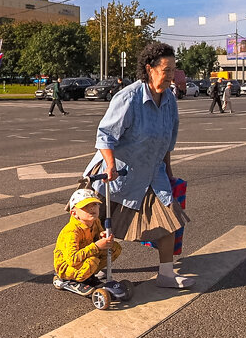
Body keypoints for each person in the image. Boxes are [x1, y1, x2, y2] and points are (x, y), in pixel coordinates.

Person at [82, 41, 193, 288]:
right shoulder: (129, 97)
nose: (170, 76)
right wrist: (109, 165)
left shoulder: (169, 101)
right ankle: (89, 268)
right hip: (118, 174)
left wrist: (170, 174)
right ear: (149, 69)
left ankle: (166, 274)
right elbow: (105, 136)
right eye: (166, 70)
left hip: (153, 173)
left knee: (169, 220)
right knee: (95, 225)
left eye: (174, 70)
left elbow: (167, 142)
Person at [52, 188, 122, 295]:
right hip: (67, 265)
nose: (92, 208)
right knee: (92, 261)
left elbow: (98, 233)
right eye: (85, 206)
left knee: (114, 248)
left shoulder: (95, 221)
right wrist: (97, 246)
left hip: (85, 257)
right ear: (74, 213)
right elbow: (72, 259)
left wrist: (102, 236)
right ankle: (71, 279)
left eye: (95, 204)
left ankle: (89, 275)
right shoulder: (72, 231)